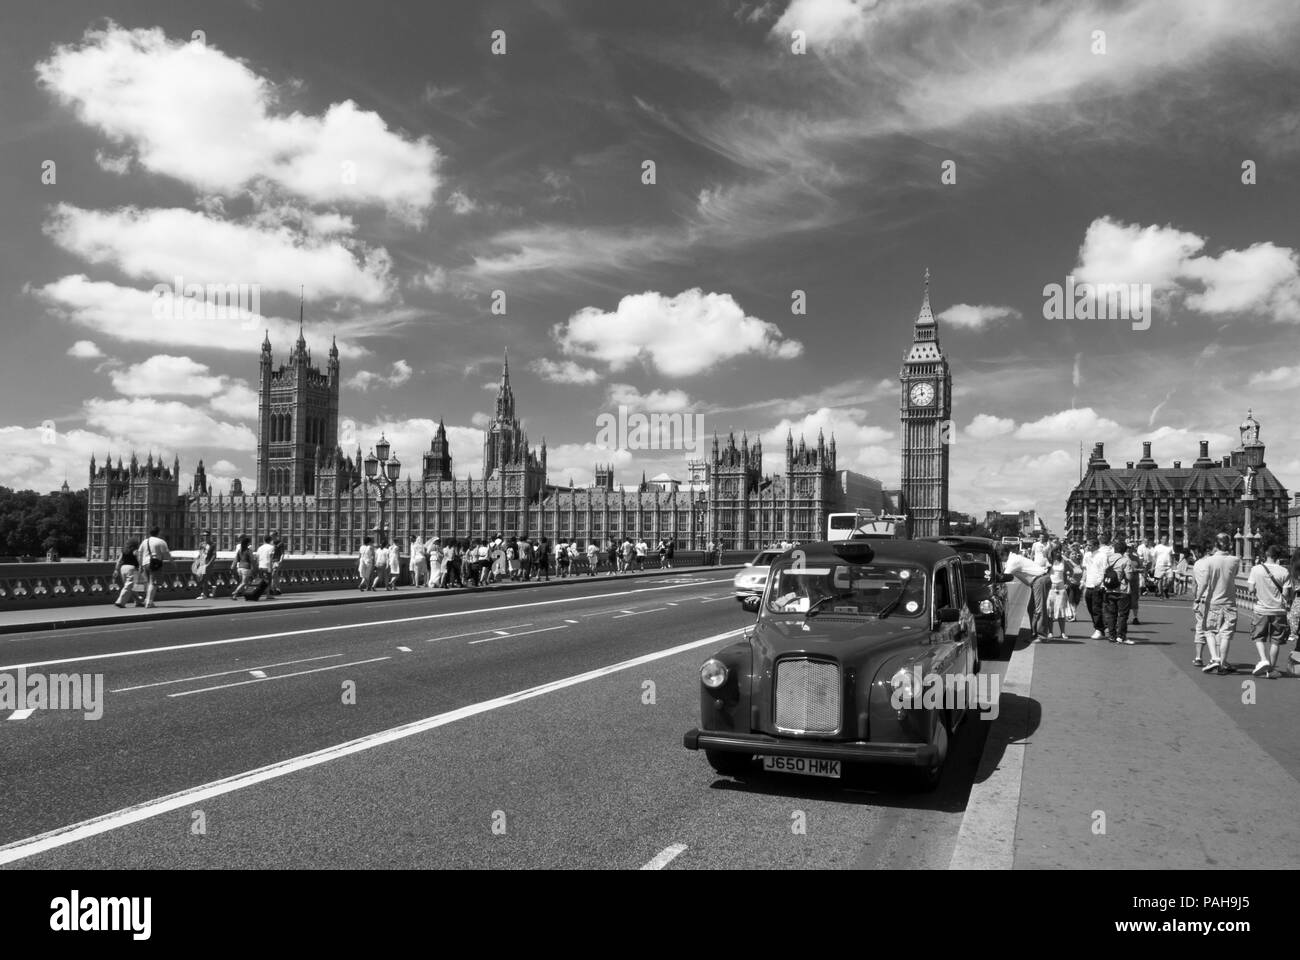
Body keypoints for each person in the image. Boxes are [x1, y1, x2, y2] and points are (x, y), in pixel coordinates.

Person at [1247, 545, 1293, 679]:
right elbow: (1286, 593)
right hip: (1279, 611)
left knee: (1258, 637)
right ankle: (1271, 669)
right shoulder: (1284, 571)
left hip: (1261, 609)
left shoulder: (1256, 569)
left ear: (1266, 554)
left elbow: (1250, 589)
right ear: (1278, 556)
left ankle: (1263, 659)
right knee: (1276, 640)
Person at [1199, 532, 1240, 675]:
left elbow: (1204, 583)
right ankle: (1222, 663)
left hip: (1213, 601)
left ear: (1215, 545)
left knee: (1209, 630)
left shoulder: (1209, 561)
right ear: (1229, 544)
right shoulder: (1235, 560)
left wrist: (1198, 598)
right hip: (1230, 602)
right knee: (1226, 634)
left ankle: (1215, 658)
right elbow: (1233, 575)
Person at [1004, 547, 1051, 642]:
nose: (1000, 558)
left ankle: (1042, 636)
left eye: (1000, 556)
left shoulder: (1013, 561)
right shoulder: (1014, 558)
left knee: (1039, 608)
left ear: (1004, 554)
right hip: (1038, 580)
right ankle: (1035, 633)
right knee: (1031, 608)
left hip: (1040, 580)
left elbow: (1004, 576)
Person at [1101, 537, 1134, 643]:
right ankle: (1121, 636)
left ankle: (1111, 635)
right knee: (1122, 614)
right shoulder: (1125, 560)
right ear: (1124, 550)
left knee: (1111, 613)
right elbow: (1129, 577)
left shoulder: (1107, 559)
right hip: (1122, 590)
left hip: (1109, 588)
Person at [1046, 545, 1078, 640]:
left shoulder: (1063, 561)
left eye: (1059, 551)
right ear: (1052, 552)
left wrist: (1067, 582)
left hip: (1061, 589)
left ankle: (1062, 633)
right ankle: (1050, 632)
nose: (1058, 553)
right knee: (1050, 612)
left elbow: (1073, 570)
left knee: (1061, 612)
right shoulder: (1048, 562)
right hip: (1050, 589)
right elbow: (1043, 573)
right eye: (1056, 551)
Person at [1190, 542, 1213, 666]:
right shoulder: (1214, 562)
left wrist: (1196, 599)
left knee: (1200, 628)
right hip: (1215, 599)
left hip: (1201, 599)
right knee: (1215, 630)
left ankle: (1198, 657)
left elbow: (1194, 585)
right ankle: (1214, 658)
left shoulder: (1197, 564)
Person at [139, 526, 172, 608]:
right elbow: (166, 554)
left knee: (148, 583)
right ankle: (149, 602)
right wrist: (172, 562)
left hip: (145, 563)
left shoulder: (145, 541)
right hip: (155, 563)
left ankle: (147, 600)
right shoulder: (161, 542)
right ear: (159, 532)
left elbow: (140, 553)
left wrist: (140, 565)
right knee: (153, 583)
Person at [113, 538, 146, 608]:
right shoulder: (135, 551)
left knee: (134, 587)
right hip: (132, 568)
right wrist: (141, 566)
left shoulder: (123, 551)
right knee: (129, 586)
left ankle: (139, 601)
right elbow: (138, 559)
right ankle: (120, 601)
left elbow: (119, 561)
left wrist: (116, 570)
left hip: (123, 568)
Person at [193, 530, 218, 599]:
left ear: (209, 536)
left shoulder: (212, 545)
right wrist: (196, 562)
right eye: (204, 535)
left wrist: (209, 564)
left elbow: (214, 555)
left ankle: (204, 594)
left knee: (204, 579)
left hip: (207, 563)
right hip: (201, 563)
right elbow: (200, 554)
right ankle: (212, 588)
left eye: (207, 535)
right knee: (201, 579)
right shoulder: (201, 544)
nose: (205, 537)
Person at [230, 535, 254, 599]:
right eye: (249, 542)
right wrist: (253, 568)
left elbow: (236, 559)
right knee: (244, 583)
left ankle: (247, 595)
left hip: (239, 568)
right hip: (246, 568)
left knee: (246, 582)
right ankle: (235, 592)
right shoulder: (248, 551)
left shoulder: (240, 550)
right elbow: (252, 560)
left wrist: (232, 566)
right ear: (247, 543)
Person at [254, 534, 276, 599]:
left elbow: (257, 557)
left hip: (260, 566)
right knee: (269, 581)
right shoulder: (271, 547)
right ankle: (268, 595)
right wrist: (270, 567)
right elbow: (271, 557)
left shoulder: (260, 548)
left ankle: (257, 594)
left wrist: (258, 565)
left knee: (261, 581)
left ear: (264, 540)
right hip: (267, 565)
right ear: (270, 540)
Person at [1152, 535, 1174, 600]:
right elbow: (1154, 557)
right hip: (1159, 565)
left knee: (1170, 579)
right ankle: (1161, 594)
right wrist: (1153, 566)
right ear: (1161, 540)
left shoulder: (1170, 547)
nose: (1165, 540)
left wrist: (1174, 565)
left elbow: (1172, 557)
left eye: (1166, 539)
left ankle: (1165, 588)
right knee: (1159, 580)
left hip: (1168, 566)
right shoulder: (1157, 547)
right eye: (1163, 539)